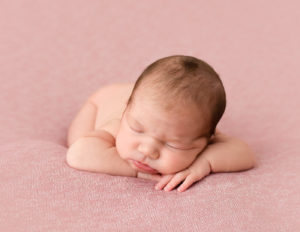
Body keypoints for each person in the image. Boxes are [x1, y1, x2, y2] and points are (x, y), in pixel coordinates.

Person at [66, 55, 256, 192]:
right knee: (75, 138)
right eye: (137, 129)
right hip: (101, 101)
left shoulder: (190, 126)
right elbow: (78, 153)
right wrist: (137, 173)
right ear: (126, 112)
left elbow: (245, 154)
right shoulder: (118, 125)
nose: (147, 150)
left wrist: (204, 163)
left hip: (151, 103)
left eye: (172, 144)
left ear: (207, 141)